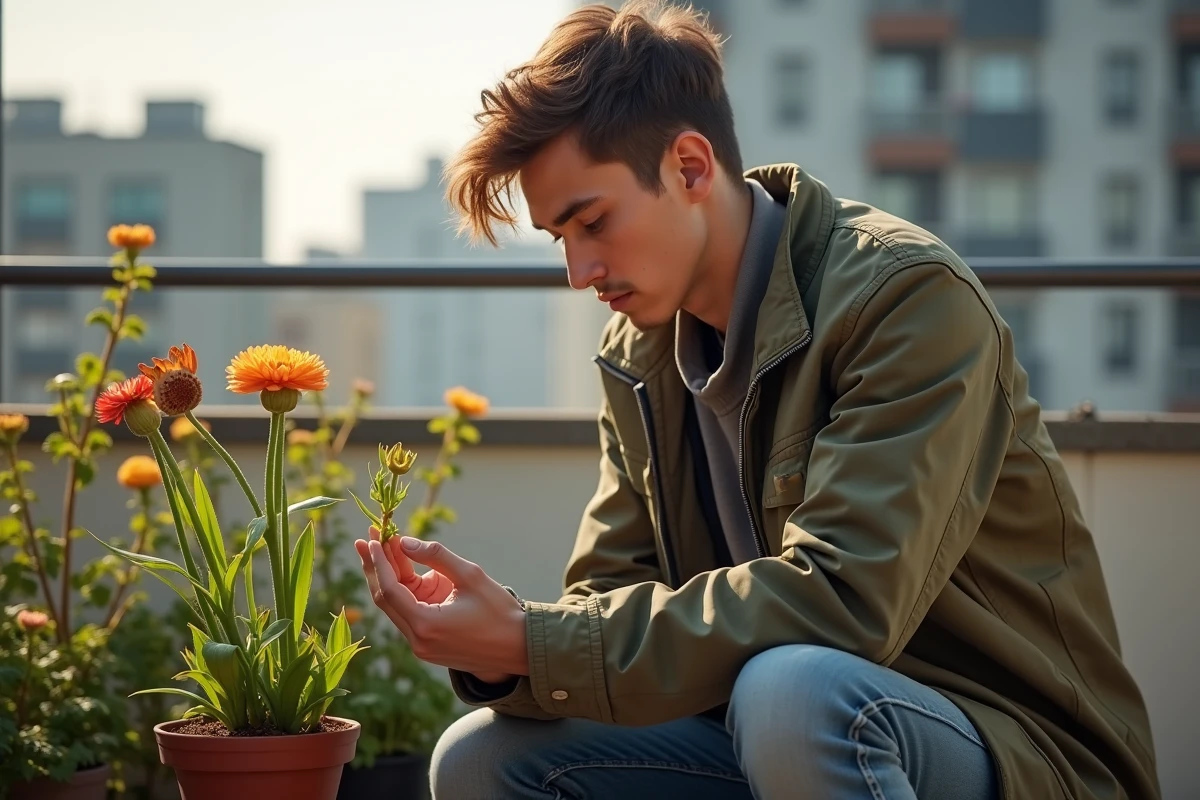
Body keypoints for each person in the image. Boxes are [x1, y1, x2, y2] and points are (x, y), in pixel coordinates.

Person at [353, 2, 1160, 798]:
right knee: (479, 759)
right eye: (561, 240)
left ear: (692, 168)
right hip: (768, 725)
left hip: (1010, 746)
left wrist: (539, 640)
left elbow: (842, 601)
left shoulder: (903, 298)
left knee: (793, 691)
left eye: (593, 222)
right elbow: (606, 604)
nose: (579, 272)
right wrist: (504, 652)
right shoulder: (639, 355)